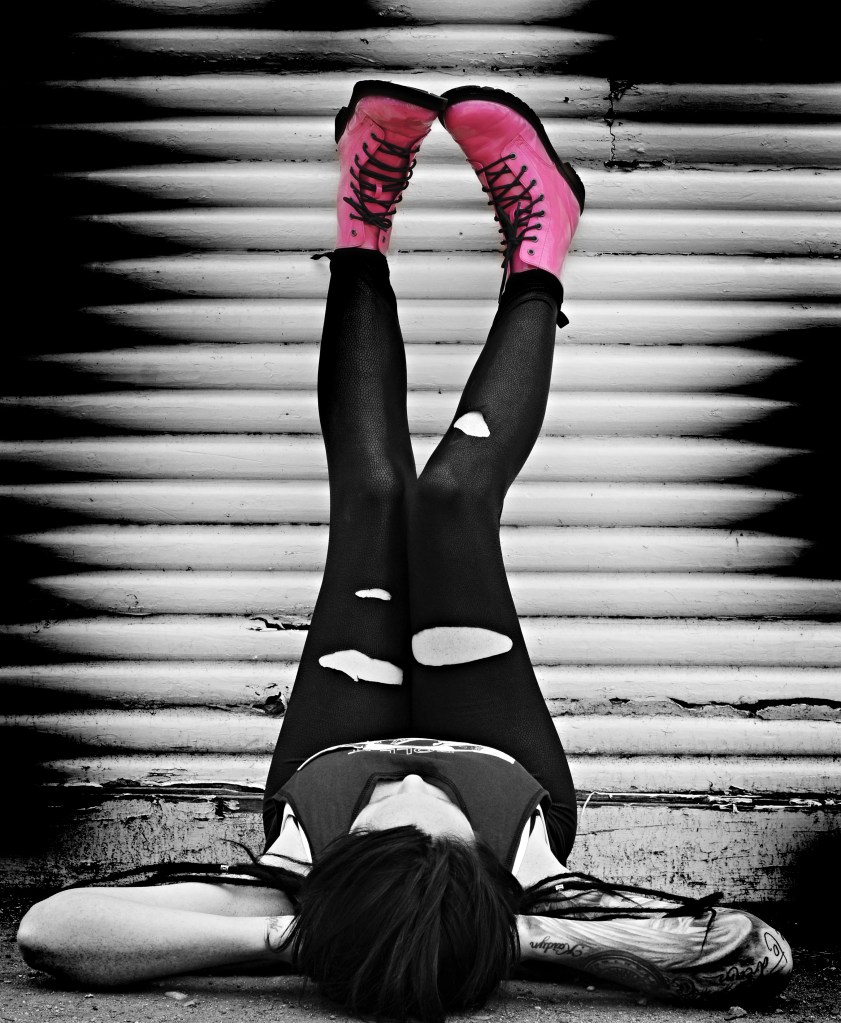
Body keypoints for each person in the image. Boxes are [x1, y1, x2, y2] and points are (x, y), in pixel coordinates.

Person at [16, 81, 792, 1021]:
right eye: (441, 817)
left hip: (330, 748)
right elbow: (751, 949)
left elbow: (51, 929)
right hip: (498, 749)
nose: (414, 775)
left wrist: (296, 934)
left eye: (382, 818)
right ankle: (540, 245)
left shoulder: (289, 890)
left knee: (376, 499)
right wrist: (518, 934)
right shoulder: (532, 890)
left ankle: (363, 227)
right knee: (450, 502)